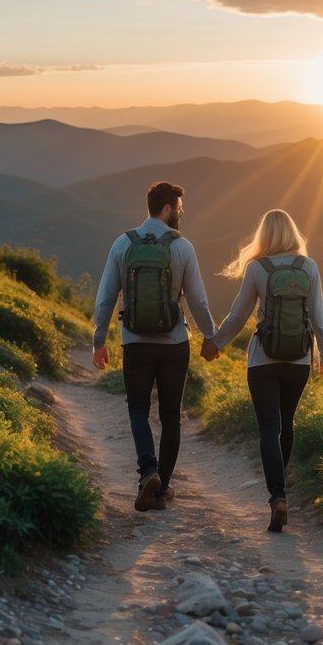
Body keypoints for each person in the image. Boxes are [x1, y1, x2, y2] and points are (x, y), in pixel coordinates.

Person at [202, 209, 323, 532]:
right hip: (299, 360)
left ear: (264, 236)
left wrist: (216, 343)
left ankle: (277, 496)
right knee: (286, 424)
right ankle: (282, 490)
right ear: (293, 233)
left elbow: (238, 315)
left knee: (268, 428)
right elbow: (319, 317)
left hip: (263, 360)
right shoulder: (309, 267)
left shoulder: (258, 268)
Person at [93, 181, 217, 512]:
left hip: (135, 342)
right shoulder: (183, 247)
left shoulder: (122, 243)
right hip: (174, 343)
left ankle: (148, 471)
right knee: (171, 416)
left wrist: (98, 341)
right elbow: (198, 300)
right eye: (179, 207)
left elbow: (106, 297)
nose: (181, 213)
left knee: (137, 409)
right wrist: (211, 336)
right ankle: (161, 490)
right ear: (166, 209)